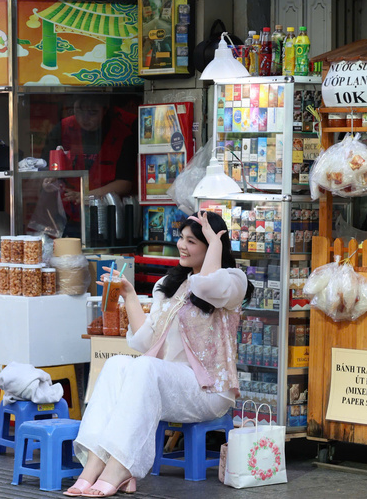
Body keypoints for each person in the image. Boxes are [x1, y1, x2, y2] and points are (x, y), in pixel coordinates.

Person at [64, 211, 253, 497]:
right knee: (116, 364)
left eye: (192, 241)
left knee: (144, 368)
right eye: (181, 238)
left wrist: (216, 243)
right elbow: (146, 342)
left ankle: (120, 469)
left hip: (209, 389)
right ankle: (93, 467)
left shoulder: (233, 281)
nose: (182, 245)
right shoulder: (170, 285)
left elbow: (207, 284)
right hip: (164, 386)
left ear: (212, 246)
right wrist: (128, 295)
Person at [40, 96, 138, 237]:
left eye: (93, 112)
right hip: (66, 218)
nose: (84, 118)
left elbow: (125, 183)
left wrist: (88, 196)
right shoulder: (63, 129)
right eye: (79, 111)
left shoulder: (122, 134)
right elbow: (44, 167)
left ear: (105, 110)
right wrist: (48, 182)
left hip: (107, 217)